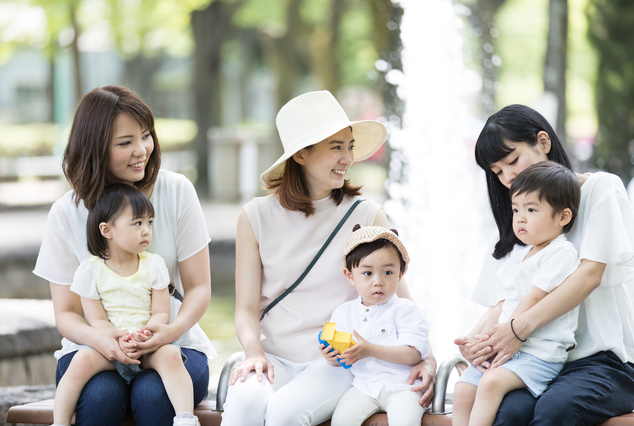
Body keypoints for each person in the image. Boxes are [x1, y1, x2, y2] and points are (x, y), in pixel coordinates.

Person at [222, 90, 437, 426]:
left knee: (285, 413)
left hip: (335, 364)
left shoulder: (366, 215)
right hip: (271, 355)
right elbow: (246, 308)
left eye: (349, 146)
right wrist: (254, 353)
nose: (348, 158)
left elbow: (402, 300)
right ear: (301, 155)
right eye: (336, 147)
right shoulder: (254, 217)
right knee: (244, 405)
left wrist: (428, 358)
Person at [33, 85, 216, 426]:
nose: (141, 150)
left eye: (145, 136)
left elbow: (199, 288)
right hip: (91, 351)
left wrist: (166, 331)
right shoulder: (65, 212)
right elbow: (67, 312)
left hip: (173, 347)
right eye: (124, 143)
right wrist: (99, 338)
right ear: (95, 149)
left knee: (152, 393)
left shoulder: (176, 191)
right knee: (102, 396)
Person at [456, 104, 634, 425]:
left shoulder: (599, 189)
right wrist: (477, 345)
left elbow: (589, 275)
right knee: (506, 414)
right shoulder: (519, 224)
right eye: (497, 172)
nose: (508, 176)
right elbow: (501, 302)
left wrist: (517, 329)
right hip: (538, 361)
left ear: (543, 142)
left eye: (512, 160)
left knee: (555, 412)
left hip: (604, 363)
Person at [52, 183, 200, 426]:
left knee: (172, 355)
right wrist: (113, 338)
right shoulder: (90, 271)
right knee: (81, 361)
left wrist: (146, 334)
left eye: (149, 223)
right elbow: (96, 319)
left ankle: (185, 419)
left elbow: (160, 312)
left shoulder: (153, 265)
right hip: (109, 348)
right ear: (107, 230)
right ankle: (59, 422)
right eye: (137, 223)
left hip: (147, 345)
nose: (146, 231)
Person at [452, 162, 581, 426]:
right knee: (464, 386)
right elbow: (501, 305)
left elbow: (533, 299)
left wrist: (502, 338)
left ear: (563, 217)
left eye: (531, 209)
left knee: (490, 382)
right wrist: (476, 341)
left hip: (539, 355)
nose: (520, 218)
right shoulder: (521, 255)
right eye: (515, 209)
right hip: (508, 348)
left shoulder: (561, 253)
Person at [322, 225, 430, 426]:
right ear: (350, 276)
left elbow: (413, 354)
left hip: (403, 387)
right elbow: (343, 358)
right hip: (364, 387)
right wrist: (332, 357)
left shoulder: (406, 310)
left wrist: (371, 350)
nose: (378, 281)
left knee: (405, 421)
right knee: (341, 420)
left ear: (400, 274)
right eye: (367, 273)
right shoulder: (344, 313)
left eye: (388, 272)